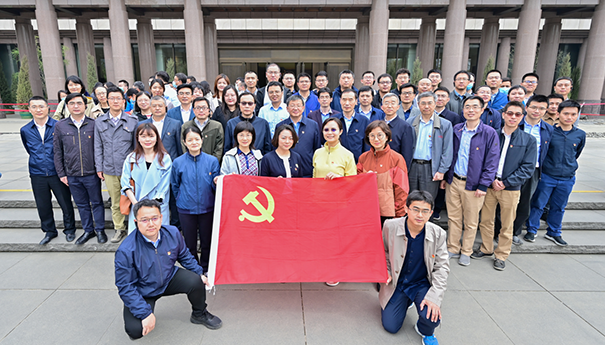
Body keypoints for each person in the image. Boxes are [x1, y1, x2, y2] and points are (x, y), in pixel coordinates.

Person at [114, 199, 222, 340]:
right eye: (145, 220)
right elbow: (125, 286)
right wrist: (145, 313)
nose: (151, 224)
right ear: (136, 221)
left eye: (154, 218)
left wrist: (198, 272)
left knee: (196, 280)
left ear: (161, 218)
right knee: (135, 330)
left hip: (168, 278)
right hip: (143, 290)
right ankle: (143, 310)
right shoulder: (126, 250)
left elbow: (184, 256)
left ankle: (199, 314)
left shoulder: (172, 233)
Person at [473, 101, 537, 271]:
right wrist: (491, 179)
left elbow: (528, 167)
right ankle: (486, 248)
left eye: (517, 114)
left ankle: (501, 254)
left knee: (507, 224)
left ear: (522, 117)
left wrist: (506, 182)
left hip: (510, 188)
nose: (513, 117)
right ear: (503, 114)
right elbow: (483, 159)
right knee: (486, 220)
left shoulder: (528, 140)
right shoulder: (492, 134)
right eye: (510, 113)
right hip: (490, 185)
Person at [379, 191, 449, 345]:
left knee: (431, 316)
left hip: (420, 283)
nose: (420, 215)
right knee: (391, 326)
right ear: (406, 209)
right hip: (397, 282)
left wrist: (434, 298)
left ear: (431, 213)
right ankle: (405, 301)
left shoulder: (438, 234)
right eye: (415, 209)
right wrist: (387, 271)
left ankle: (424, 331)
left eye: (425, 211)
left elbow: (442, 268)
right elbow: (381, 252)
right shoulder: (389, 226)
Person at [441, 96, 499, 266]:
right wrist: (446, 177)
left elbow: (492, 161)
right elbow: (449, 154)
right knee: (453, 217)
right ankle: (453, 247)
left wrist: (483, 184)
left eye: (475, 107)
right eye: (467, 107)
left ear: (482, 110)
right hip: (454, 181)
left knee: (471, 221)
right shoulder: (456, 129)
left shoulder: (489, 133)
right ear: (463, 110)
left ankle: (466, 250)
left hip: (474, 185)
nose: (471, 110)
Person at [525, 100, 586, 246]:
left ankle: (554, 232)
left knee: (559, 206)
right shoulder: (549, 132)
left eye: (573, 114)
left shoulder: (580, 134)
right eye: (566, 113)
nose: (569, 117)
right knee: (539, 204)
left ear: (577, 115)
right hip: (547, 175)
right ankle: (532, 230)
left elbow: (576, 153)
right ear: (558, 114)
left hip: (567, 177)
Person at [22, 96, 77, 245]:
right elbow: (29, 149)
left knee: (65, 202)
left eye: (41, 106)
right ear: (29, 109)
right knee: (43, 204)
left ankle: (70, 229)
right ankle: (49, 231)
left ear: (48, 108)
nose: (38, 110)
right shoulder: (25, 130)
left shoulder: (58, 126)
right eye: (34, 107)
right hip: (37, 172)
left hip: (57, 171)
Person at [53, 93, 107, 245]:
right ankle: (88, 230)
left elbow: (100, 148)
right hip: (72, 174)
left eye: (79, 103)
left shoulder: (93, 124)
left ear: (85, 106)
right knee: (82, 204)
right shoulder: (60, 126)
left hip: (92, 173)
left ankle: (100, 229)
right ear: (67, 106)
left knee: (96, 202)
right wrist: (61, 173)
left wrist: (99, 168)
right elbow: (57, 151)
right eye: (72, 103)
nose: (75, 106)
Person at [171, 126, 220, 271]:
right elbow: (175, 185)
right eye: (190, 140)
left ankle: (206, 267)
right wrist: (181, 198)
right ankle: (194, 269)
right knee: (190, 243)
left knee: (207, 241)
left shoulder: (212, 161)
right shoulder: (178, 162)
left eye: (196, 139)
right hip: (186, 209)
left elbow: (215, 186)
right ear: (184, 142)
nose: (194, 142)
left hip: (207, 207)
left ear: (202, 140)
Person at [94, 87, 139, 243]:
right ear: (107, 99)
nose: (115, 101)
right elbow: (97, 146)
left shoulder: (133, 121)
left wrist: (136, 167)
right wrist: (99, 167)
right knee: (115, 201)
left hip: (129, 170)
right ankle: (119, 229)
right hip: (109, 169)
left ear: (123, 101)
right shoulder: (99, 122)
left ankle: (135, 228)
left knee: (133, 199)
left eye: (118, 98)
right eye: (112, 98)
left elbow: (136, 147)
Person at [512, 95, 553, 245]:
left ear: (546, 110)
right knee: (506, 203)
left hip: (532, 171)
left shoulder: (548, 129)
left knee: (524, 202)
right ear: (526, 107)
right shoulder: (516, 123)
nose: (537, 111)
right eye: (534, 107)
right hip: (511, 169)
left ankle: (515, 232)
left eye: (542, 108)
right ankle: (499, 231)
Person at [121, 123, 172, 233]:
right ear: (138, 138)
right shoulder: (131, 159)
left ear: (157, 138)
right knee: (139, 240)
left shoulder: (165, 159)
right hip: (137, 205)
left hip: (158, 206)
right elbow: (125, 184)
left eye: (151, 136)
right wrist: (137, 205)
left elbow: (164, 186)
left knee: (158, 239)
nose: (147, 140)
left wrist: (151, 206)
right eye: (143, 136)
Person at [142, 96, 183, 231]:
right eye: (154, 106)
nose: (157, 108)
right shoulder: (142, 125)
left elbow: (179, 147)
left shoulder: (175, 124)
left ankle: (174, 228)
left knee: (172, 199)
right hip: (149, 169)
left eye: (160, 105)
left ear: (165, 107)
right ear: (150, 107)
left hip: (169, 169)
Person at [357, 121, 409, 224]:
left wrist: (399, 213)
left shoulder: (396, 158)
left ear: (387, 136)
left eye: (380, 135)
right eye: (372, 136)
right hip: (366, 209)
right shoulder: (363, 157)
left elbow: (401, 189)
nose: (376, 139)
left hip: (388, 211)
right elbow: (357, 182)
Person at [407, 92, 453, 202]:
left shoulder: (445, 124)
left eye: (429, 103)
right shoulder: (410, 122)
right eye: (423, 103)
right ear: (418, 104)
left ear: (435, 103)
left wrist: (442, 170)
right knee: (410, 198)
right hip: (412, 166)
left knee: (428, 199)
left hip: (431, 168)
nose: (426, 106)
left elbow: (447, 150)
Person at [276, 95, 321, 177]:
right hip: (285, 172)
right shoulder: (280, 126)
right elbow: (276, 148)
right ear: (287, 109)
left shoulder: (313, 125)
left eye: (298, 106)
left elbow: (316, 148)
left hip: (307, 170)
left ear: (303, 108)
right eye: (292, 106)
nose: (295, 108)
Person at [182, 97, 224, 162]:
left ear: (209, 110)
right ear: (193, 110)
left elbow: (219, 148)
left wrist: (212, 163)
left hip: (211, 164)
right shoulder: (186, 126)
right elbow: (184, 146)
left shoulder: (217, 126)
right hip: (190, 163)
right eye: (198, 108)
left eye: (204, 108)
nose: (201, 110)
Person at [333, 89, 369, 162]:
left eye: (350, 100)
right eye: (344, 100)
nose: (347, 103)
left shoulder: (364, 120)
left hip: (357, 163)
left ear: (356, 102)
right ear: (340, 101)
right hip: (337, 163)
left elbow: (367, 145)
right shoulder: (333, 120)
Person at [381, 92, 415, 170]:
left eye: (393, 103)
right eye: (386, 103)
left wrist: (403, 170)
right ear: (382, 107)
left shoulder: (405, 126)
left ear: (398, 107)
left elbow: (407, 153)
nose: (389, 106)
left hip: (395, 167)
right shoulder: (378, 125)